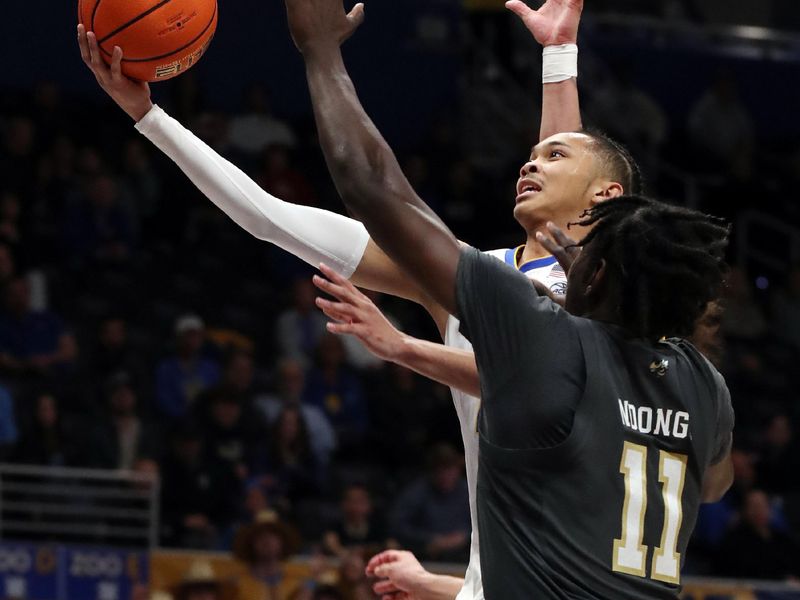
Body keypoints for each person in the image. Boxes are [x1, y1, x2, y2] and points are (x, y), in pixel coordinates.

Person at [76, 2, 628, 595]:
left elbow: (532, 370)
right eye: (535, 154)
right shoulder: (473, 279)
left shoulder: (618, 299)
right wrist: (150, 117)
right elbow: (272, 219)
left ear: (607, 196)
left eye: (553, 157)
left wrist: (402, 348)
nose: (531, 162)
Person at [283, 3, 733, 600]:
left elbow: (370, 183)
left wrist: (321, 51)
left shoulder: (551, 341)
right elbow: (713, 484)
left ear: (596, 276)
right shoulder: (704, 386)